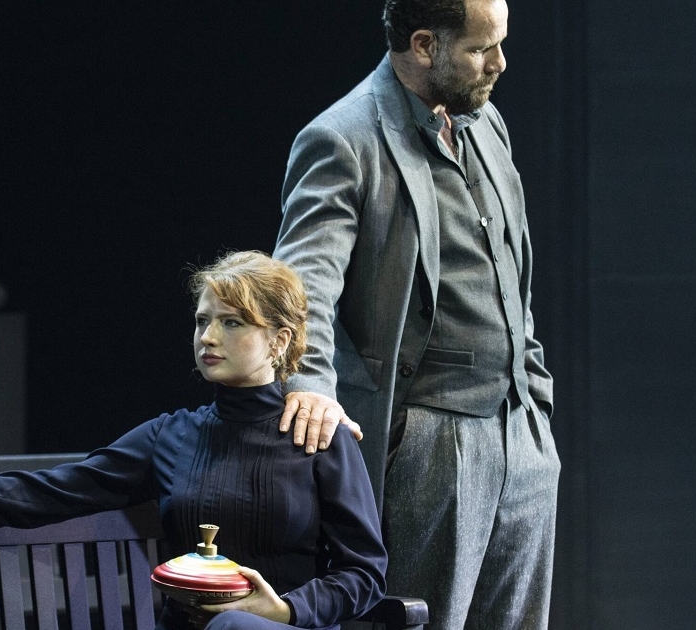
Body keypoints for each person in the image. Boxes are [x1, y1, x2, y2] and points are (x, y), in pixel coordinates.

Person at [0, 251, 387, 630]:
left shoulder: (318, 435)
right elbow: (48, 490)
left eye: (232, 323)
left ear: (280, 340)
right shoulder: (172, 436)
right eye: (202, 321)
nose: (208, 337)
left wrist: (283, 611)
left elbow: (363, 574)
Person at [272, 1, 560, 629]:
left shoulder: (485, 123)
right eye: (480, 49)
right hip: (430, 438)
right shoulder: (344, 138)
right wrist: (310, 386)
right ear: (424, 45)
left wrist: (535, 402)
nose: (499, 63)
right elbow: (301, 286)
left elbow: (511, 271)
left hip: (521, 434)